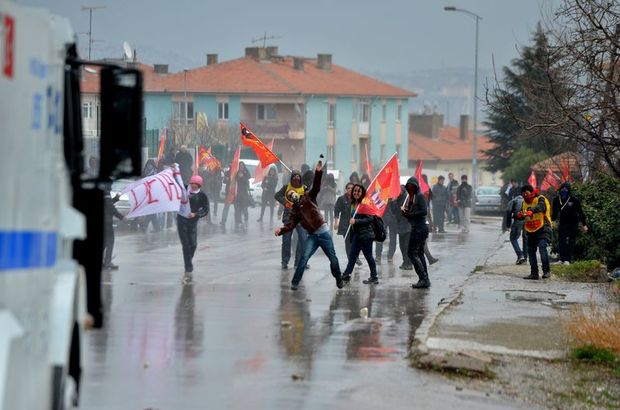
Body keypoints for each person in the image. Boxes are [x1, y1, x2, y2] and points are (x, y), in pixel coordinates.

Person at [275, 162, 343, 291]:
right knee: (304, 258)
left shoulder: (308, 197)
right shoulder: (295, 213)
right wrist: (281, 230)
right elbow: (290, 225)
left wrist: (318, 172)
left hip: (323, 233)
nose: (295, 199)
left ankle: (339, 278)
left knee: (332, 258)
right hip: (313, 236)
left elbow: (316, 187)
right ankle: (295, 283)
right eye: (292, 198)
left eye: (296, 196)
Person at [341, 184, 380, 285]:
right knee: (352, 255)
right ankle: (346, 275)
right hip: (357, 235)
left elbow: (370, 219)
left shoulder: (364, 204)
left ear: (362, 193)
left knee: (368, 256)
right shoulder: (354, 204)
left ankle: (374, 277)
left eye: (358, 191)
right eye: (355, 191)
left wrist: (356, 221)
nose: (356, 193)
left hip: (366, 235)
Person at [177, 175, 209, 284]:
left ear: (199, 185)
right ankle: (188, 270)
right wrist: (174, 170)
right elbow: (176, 181)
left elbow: (205, 210)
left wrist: (195, 214)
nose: (193, 186)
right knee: (186, 245)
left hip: (192, 222)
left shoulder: (202, 195)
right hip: (181, 221)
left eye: (196, 184)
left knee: (193, 245)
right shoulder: (184, 189)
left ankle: (188, 260)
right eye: (192, 183)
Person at [275, 170, 308, 270]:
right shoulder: (286, 187)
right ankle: (285, 261)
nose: (296, 179)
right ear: (291, 178)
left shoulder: (304, 188)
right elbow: (277, 195)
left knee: (303, 239)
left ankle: (299, 262)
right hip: (288, 217)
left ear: (300, 179)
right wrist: (285, 203)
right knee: (286, 240)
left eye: (298, 177)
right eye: (294, 177)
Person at [518, 184, 552, 280]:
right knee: (531, 251)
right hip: (531, 230)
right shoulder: (524, 203)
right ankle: (534, 273)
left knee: (542, 247)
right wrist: (519, 215)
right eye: (523, 194)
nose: (525, 196)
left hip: (544, 228)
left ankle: (546, 271)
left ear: (531, 192)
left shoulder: (540, 199)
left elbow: (541, 207)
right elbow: (522, 214)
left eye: (527, 193)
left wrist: (531, 211)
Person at [402, 177, 430, 288]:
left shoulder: (419, 196)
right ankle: (425, 278)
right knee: (419, 253)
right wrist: (405, 213)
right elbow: (412, 215)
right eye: (408, 187)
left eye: (411, 186)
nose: (410, 188)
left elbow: (423, 211)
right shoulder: (412, 198)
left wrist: (410, 214)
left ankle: (423, 278)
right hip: (417, 227)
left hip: (420, 228)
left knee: (411, 252)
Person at [551, 182, 588, 265]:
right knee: (561, 241)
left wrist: (584, 225)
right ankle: (561, 259)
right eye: (562, 189)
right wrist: (552, 221)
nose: (564, 191)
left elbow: (580, 212)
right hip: (563, 222)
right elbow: (555, 212)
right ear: (560, 189)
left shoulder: (574, 199)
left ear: (569, 190)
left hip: (573, 222)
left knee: (571, 241)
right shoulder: (557, 199)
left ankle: (568, 259)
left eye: (566, 189)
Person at [334, 183, 361, 266]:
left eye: (352, 188)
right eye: (348, 188)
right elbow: (337, 211)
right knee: (348, 242)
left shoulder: (358, 199)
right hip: (345, 224)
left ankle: (356, 257)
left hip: (355, 223)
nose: (350, 189)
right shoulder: (342, 199)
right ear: (346, 189)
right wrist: (336, 222)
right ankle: (351, 259)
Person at [505, 191, 528, 265]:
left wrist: (508, 225)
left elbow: (508, 212)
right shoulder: (529, 200)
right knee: (526, 239)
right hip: (528, 222)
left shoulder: (514, 201)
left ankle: (520, 255)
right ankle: (525, 257)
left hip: (518, 221)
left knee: (513, 238)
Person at [103, 191, 124, 270]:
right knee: (110, 242)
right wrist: (121, 217)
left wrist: (115, 198)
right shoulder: (106, 189)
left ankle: (104, 262)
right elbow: (110, 207)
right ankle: (107, 263)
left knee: (105, 242)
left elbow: (107, 203)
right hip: (107, 222)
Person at [234, 162, 251, 230]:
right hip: (238, 193)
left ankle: (246, 219)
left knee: (244, 207)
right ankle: (239, 220)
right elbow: (235, 179)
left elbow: (247, 181)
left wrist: (243, 177)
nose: (241, 167)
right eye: (240, 165)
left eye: (242, 165)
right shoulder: (237, 172)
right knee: (238, 208)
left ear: (244, 166)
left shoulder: (246, 171)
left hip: (244, 193)